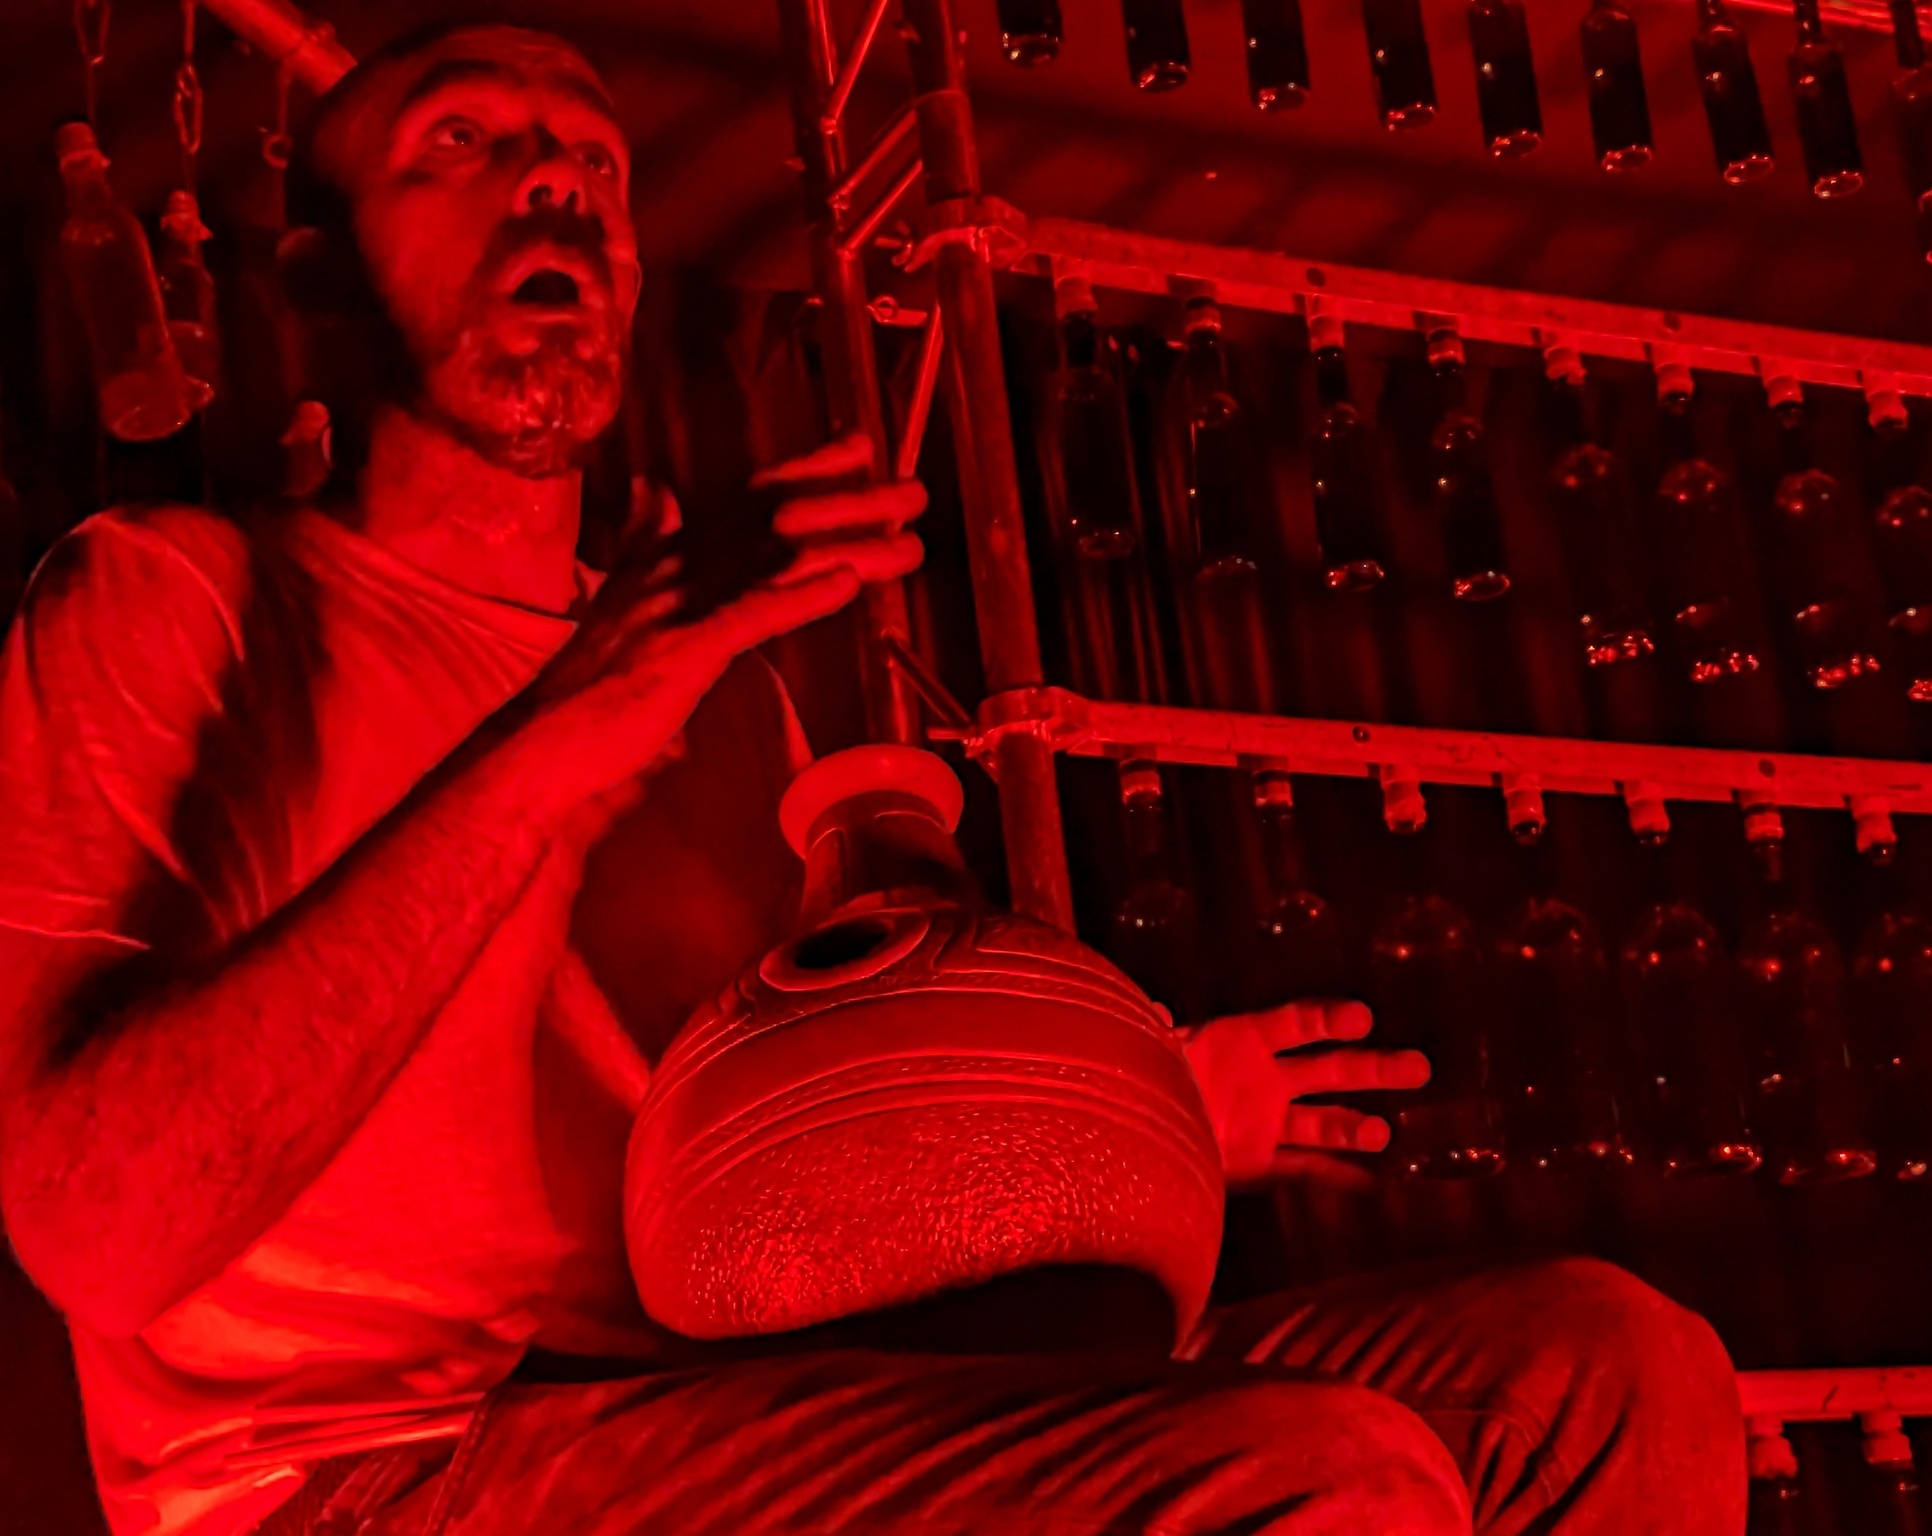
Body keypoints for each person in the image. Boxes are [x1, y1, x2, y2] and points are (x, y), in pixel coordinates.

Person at [0, 24, 1745, 1536]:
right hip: (360, 1471)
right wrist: (571, 724)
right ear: (312, 276)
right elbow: (96, 1232)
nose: (554, 187)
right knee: (1318, 1476)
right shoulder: (171, 596)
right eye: (460, 142)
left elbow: (764, 1184)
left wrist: (1131, 1123)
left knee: (1605, 1367)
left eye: (595, 165)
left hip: (724, 1393)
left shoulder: (724, 683)